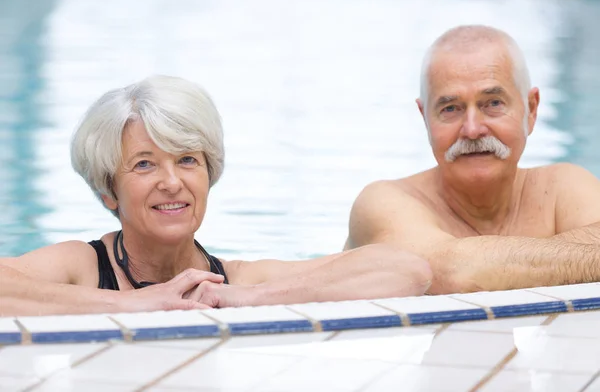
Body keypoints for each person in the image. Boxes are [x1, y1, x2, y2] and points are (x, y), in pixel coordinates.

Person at [0, 75, 432, 316]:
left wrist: (243, 299)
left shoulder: (230, 281)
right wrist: (130, 303)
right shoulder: (83, 266)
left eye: (188, 160)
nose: (172, 182)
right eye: (145, 164)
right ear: (108, 190)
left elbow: (407, 270)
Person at [344, 25, 600, 295]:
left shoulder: (565, 187)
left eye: (493, 103)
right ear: (425, 119)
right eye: (450, 108)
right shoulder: (384, 203)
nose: (473, 129)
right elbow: (453, 273)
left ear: (531, 110)